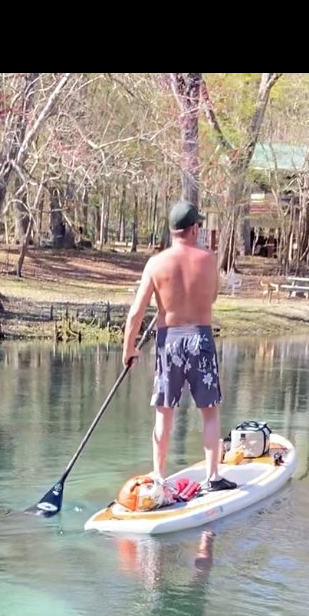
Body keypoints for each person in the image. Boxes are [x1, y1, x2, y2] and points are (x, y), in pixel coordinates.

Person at [122, 200, 236, 494]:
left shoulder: (155, 264)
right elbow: (210, 298)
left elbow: (135, 313)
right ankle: (212, 476)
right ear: (194, 228)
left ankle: (159, 476)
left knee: (164, 412)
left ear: (172, 230)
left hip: (168, 341)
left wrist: (129, 349)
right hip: (200, 338)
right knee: (209, 411)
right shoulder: (209, 260)